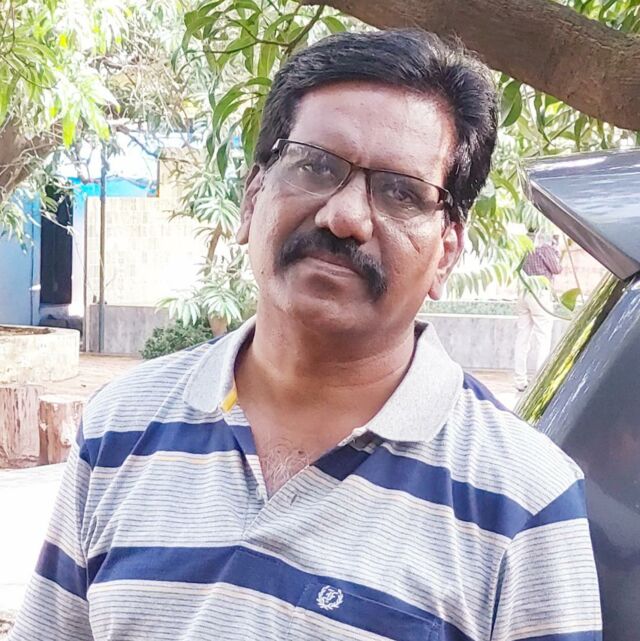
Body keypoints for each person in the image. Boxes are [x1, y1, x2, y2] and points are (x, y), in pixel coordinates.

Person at [9, 30, 601, 641]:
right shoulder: (121, 426)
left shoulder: (523, 498)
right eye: (315, 166)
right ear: (251, 199)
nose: (344, 217)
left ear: (446, 253)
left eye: (401, 191)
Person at [514, 229, 563, 391]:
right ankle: (540, 381)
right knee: (543, 337)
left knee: (522, 337)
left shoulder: (522, 246)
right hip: (540, 292)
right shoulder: (545, 248)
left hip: (524, 291)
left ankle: (519, 379)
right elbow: (557, 268)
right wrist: (556, 249)